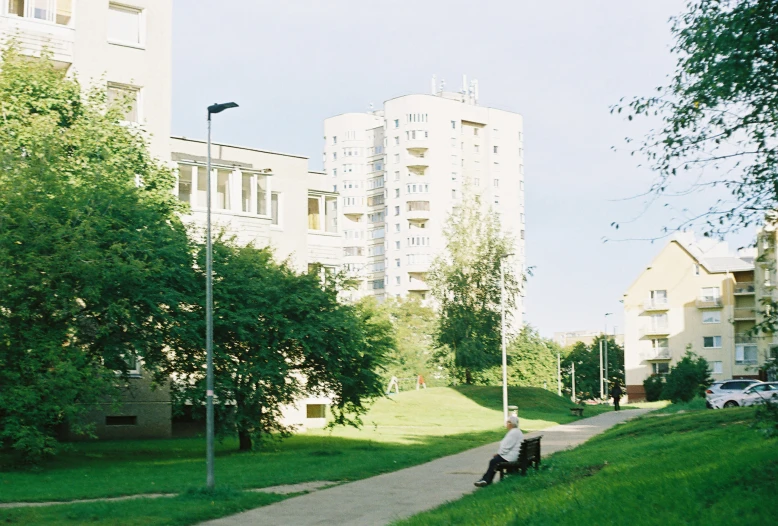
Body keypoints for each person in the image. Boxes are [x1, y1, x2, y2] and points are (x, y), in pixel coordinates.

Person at [474, 415, 523, 487]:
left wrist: (499, 454)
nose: (506, 424)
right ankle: (485, 479)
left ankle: (486, 480)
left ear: (510, 423)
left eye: (507, 422)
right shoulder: (518, 432)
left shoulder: (512, 433)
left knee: (493, 461)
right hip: (516, 455)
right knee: (495, 460)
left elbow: (506, 448)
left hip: (511, 457)